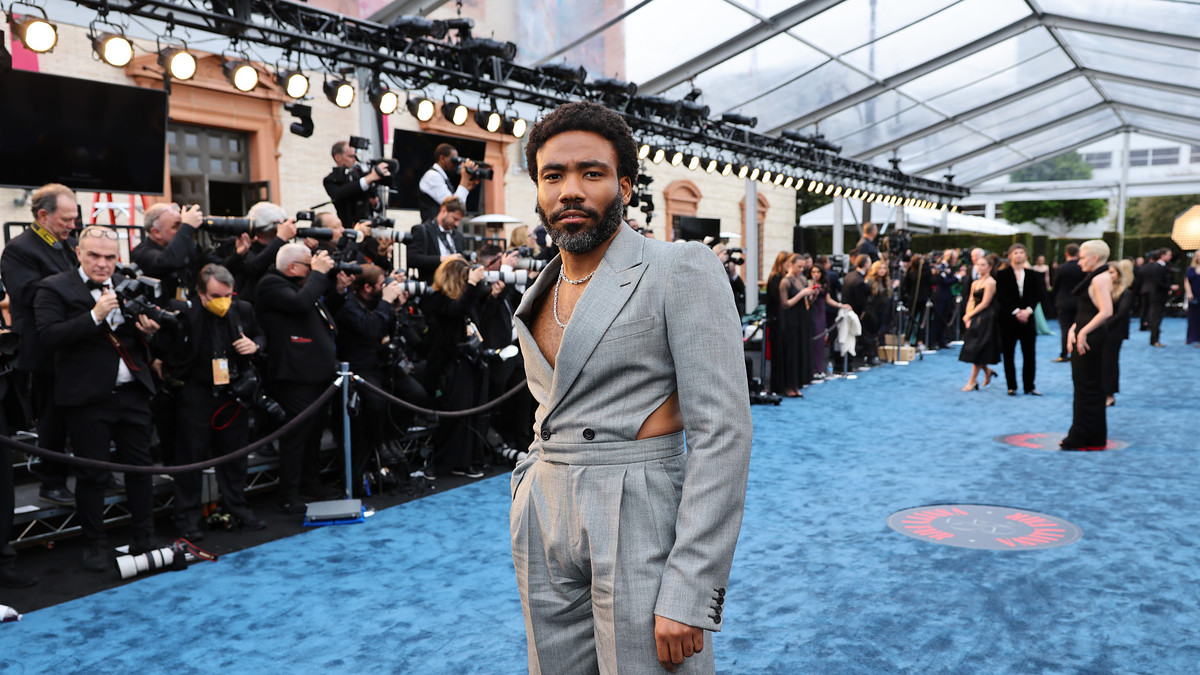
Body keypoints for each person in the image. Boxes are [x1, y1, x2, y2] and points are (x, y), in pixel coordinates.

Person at [509, 101, 752, 674]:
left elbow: (723, 433)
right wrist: (527, 490)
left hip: (637, 509)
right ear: (539, 190)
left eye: (591, 173)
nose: (570, 190)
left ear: (624, 185)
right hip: (544, 510)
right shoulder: (540, 287)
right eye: (553, 175)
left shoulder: (679, 267)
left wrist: (691, 587)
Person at [33, 226, 161, 571]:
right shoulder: (54, 287)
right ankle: (94, 544)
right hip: (87, 398)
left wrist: (147, 332)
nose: (103, 264)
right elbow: (48, 337)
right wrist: (94, 316)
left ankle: (144, 538)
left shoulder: (127, 283)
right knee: (92, 475)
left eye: (109, 257)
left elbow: (137, 340)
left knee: (140, 470)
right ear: (78, 253)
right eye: (94, 255)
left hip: (132, 391)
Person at [160, 264, 267, 538]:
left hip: (233, 393)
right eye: (216, 296)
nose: (223, 302)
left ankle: (238, 509)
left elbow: (260, 335)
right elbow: (165, 346)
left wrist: (255, 345)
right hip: (197, 393)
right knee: (191, 459)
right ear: (201, 293)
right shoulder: (184, 313)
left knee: (235, 457)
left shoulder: (242, 309)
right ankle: (187, 519)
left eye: (228, 295)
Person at [0, 183, 78, 506]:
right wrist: (79, 286)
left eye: (74, 218)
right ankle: (51, 481)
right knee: (52, 418)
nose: (72, 225)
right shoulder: (19, 249)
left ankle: (94, 473)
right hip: (44, 348)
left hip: (74, 343)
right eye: (66, 219)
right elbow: (29, 293)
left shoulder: (68, 244)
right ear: (43, 215)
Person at [255, 242, 341, 513]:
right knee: (296, 436)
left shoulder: (304, 286)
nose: (314, 268)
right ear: (292, 267)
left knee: (314, 434)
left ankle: (310, 482)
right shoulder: (271, 284)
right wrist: (319, 274)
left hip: (316, 375)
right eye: (309, 264)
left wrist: (337, 288)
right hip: (293, 377)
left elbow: (320, 310)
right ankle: (289, 493)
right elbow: (300, 304)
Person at [335, 264, 407, 493]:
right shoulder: (349, 306)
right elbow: (370, 328)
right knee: (377, 402)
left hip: (383, 364)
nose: (384, 287)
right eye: (380, 284)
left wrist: (395, 308)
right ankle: (380, 441)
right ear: (367, 287)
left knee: (414, 394)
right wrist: (385, 302)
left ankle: (391, 437)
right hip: (360, 368)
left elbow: (390, 330)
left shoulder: (377, 303)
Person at [422, 257, 490, 477]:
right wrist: (472, 284)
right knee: (455, 416)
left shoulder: (465, 299)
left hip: (467, 363)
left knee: (470, 414)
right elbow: (457, 310)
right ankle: (444, 462)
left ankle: (466, 460)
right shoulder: (436, 299)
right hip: (447, 366)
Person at [1062, 240, 1114, 449]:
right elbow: (1088, 310)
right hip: (1087, 335)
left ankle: (1081, 435)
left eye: (1082, 258)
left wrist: (1082, 332)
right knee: (1085, 386)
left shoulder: (1100, 278)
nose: (1079, 262)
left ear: (1095, 258)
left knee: (1087, 387)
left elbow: (1106, 311)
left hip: (1091, 339)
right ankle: (1091, 435)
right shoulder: (1097, 276)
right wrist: (1074, 329)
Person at [994, 243, 1045, 396]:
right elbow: (1002, 296)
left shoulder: (1032, 274)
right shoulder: (1002, 274)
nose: (1019, 255)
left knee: (1029, 354)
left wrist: (1028, 311)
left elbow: (1037, 295)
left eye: (1021, 252)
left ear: (1026, 255)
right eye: (1016, 252)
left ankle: (1029, 386)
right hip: (1008, 319)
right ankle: (1012, 386)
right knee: (1008, 354)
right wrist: (1017, 312)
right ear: (1010, 255)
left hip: (1028, 319)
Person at [323, 140, 392, 228]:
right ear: (338, 157)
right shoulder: (331, 179)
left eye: (355, 156)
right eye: (350, 156)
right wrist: (368, 179)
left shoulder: (360, 174)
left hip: (368, 226)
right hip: (349, 227)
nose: (354, 159)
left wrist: (375, 202)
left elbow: (378, 206)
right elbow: (341, 193)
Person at [958, 254, 1001, 391]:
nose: (980, 267)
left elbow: (985, 303)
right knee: (974, 348)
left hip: (987, 318)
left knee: (979, 348)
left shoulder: (991, 282)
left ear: (989, 267)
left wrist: (970, 315)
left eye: (983, 265)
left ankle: (972, 380)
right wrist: (967, 316)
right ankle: (987, 371)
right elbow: (971, 300)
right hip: (975, 317)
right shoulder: (975, 283)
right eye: (978, 265)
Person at [778, 254, 819, 396]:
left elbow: (808, 302)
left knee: (801, 352)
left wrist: (813, 294)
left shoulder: (801, 279)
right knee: (792, 353)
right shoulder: (785, 282)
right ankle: (789, 386)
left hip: (803, 319)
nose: (801, 269)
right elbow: (785, 304)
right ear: (791, 264)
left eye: (803, 267)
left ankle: (797, 384)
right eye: (799, 266)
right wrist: (802, 293)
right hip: (790, 321)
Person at [407, 196, 468, 281]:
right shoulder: (422, 230)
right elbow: (412, 259)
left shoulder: (458, 236)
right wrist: (443, 259)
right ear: (444, 210)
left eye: (459, 221)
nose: (456, 224)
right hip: (432, 284)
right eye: (454, 219)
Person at [1102, 260, 1136, 407]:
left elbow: (1121, 314)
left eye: (1112, 272)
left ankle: (1110, 394)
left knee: (1110, 362)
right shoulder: (1102, 290)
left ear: (1118, 274)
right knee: (1100, 362)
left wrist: (1102, 324)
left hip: (1114, 332)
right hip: (1100, 330)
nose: (1109, 275)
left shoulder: (1125, 292)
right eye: (1107, 272)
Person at [417, 142, 480, 222]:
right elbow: (454, 206)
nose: (456, 165)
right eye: (454, 160)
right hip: (432, 227)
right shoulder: (432, 176)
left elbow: (458, 205)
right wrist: (464, 179)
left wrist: (466, 188)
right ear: (442, 158)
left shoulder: (442, 177)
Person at [808, 264, 850, 378]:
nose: (815, 274)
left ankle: (818, 368)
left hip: (821, 314)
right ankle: (813, 369)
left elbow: (828, 299)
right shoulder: (809, 283)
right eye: (813, 272)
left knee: (821, 342)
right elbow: (809, 301)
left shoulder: (824, 285)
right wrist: (813, 292)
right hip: (813, 313)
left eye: (817, 272)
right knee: (814, 341)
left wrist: (841, 305)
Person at [1052, 244, 1085, 362]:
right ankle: (1077, 352)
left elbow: (1055, 286)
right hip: (1079, 302)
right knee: (1078, 327)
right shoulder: (1082, 267)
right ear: (1078, 253)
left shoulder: (1060, 268)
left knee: (1065, 329)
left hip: (1063, 302)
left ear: (1066, 253)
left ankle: (1065, 354)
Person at [1144, 248, 1178, 347]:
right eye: (1169, 255)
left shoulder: (1155, 266)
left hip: (1155, 295)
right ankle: (1155, 340)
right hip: (1158, 295)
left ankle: (1154, 339)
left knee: (1155, 316)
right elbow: (1158, 282)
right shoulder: (1159, 268)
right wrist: (1170, 287)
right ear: (1162, 256)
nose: (1170, 257)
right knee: (1156, 317)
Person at [1186, 253, 1200, 345]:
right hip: (1193, 296)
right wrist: (1189, 293)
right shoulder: (1190, 269)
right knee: (1192, 317)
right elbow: (1186, 282)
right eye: (1198, 256)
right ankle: (1191, 337)